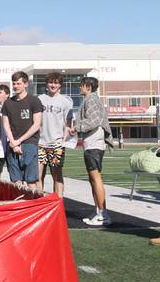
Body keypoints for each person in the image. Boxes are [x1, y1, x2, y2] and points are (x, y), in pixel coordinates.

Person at [72, 76, 113, 226]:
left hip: (94, 143)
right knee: (92, 178)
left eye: (81, 85)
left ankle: (103, 214)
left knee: (96, 178)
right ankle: (98, 210)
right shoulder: (89, 99)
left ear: (88, 87)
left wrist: (76, 128)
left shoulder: (91, 100)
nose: (79, 88)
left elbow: (93, 121)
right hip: (91, 143)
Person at [2, 71, 44, 189]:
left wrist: (19, 141)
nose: (16, 86)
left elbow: (36, 125)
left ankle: (33, 205)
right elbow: (6, 125)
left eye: (19, 83)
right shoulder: (8, 103)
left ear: (25, 84)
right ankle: (19, 205)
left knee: (31, 180)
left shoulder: (34, 100)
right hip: (12, 145)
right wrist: (13, 143)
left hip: (29, 143)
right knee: (16, 181)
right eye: (14, 83)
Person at [38, 72, 73, 197]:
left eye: (56, 83)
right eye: (51, 82)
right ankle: (40, 202)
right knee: (38, 175)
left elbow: (67, 123)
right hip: (40, 143)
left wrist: (63, 140)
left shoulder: (66, 101)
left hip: (56, 143)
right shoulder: (39, 99)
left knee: (56, 174)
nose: (53, 85)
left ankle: (58, 202)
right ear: (46, 84)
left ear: (60, 85)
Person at [0, 84, 11, 175]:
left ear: (7, 94)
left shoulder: (12, 107)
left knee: (14, 172)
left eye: (0, 92)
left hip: (10, 144)